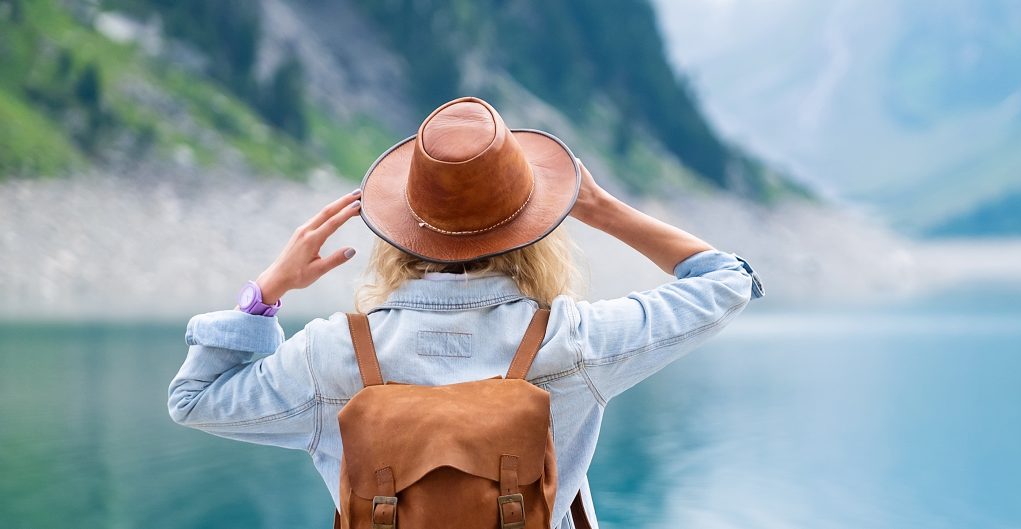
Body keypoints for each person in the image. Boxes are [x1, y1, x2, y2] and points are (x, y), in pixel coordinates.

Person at [168, 97, 764, 528]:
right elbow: (725, 280)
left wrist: (267, 292)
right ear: (537, 227)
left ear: (401, 228)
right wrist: (603, 209)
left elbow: (194, 400)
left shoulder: (332, 353)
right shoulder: (576, 342)